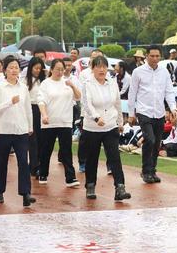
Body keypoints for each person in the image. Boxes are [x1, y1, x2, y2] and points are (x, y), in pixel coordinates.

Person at [82, 56, 131, 201]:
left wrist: (120, 122)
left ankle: (120, 187)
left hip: (110, 125)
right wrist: (96, 117)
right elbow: (87, 104)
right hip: (92, 127)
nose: (102, 69)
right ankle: (90, 185)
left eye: (104, 66)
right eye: (98, 66)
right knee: (92, 158)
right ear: (93, 69)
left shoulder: (112, 83)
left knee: (114, 157)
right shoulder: (87, 84)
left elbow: (117, 103)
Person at [128, 45, 177, 184]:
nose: (155, 59)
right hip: (144, 111)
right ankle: (145, 170)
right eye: (152, 56)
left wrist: (173, 108)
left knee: (157, 143)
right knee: (149, 139)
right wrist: (131, 113)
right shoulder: (138, 72)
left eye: (157, 56)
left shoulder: (164, 72)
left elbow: (169, 91)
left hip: (159, 112)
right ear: (146, 56)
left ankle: (152, 170)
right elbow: (132, 94)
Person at [0, 57, 35, 207]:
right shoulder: (0, 88)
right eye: (11, 67)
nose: (14, 70)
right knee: (1, 162)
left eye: (16, 67)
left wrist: (30, 126)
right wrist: (10, 102)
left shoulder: (23, 88)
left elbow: (28, 109)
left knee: (23, 162)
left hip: (20, 130)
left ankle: (26, 193)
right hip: (3, 130)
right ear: (5, 70)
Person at [38, 59, 81, 187]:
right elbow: (41, 101)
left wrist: (72, 86)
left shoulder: (68, 83)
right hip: (49, 122)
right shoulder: (46, 84)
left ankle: (70, 177)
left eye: (62, 69)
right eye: (57, 69)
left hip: (65, 122)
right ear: (51, 69)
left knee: (66, 150)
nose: (60, 72)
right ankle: (43, 173)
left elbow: (78, 97)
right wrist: (44, 115)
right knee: (46, 150)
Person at [25, 57, 45, 177]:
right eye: (35, 68)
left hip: (42, 110)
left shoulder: (44, 81)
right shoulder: (26, 81)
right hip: (31, 109)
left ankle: (38, 164)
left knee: (42, 139)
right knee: (33, 140)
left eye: (39, 68)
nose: (37, 70)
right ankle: (34, 166)